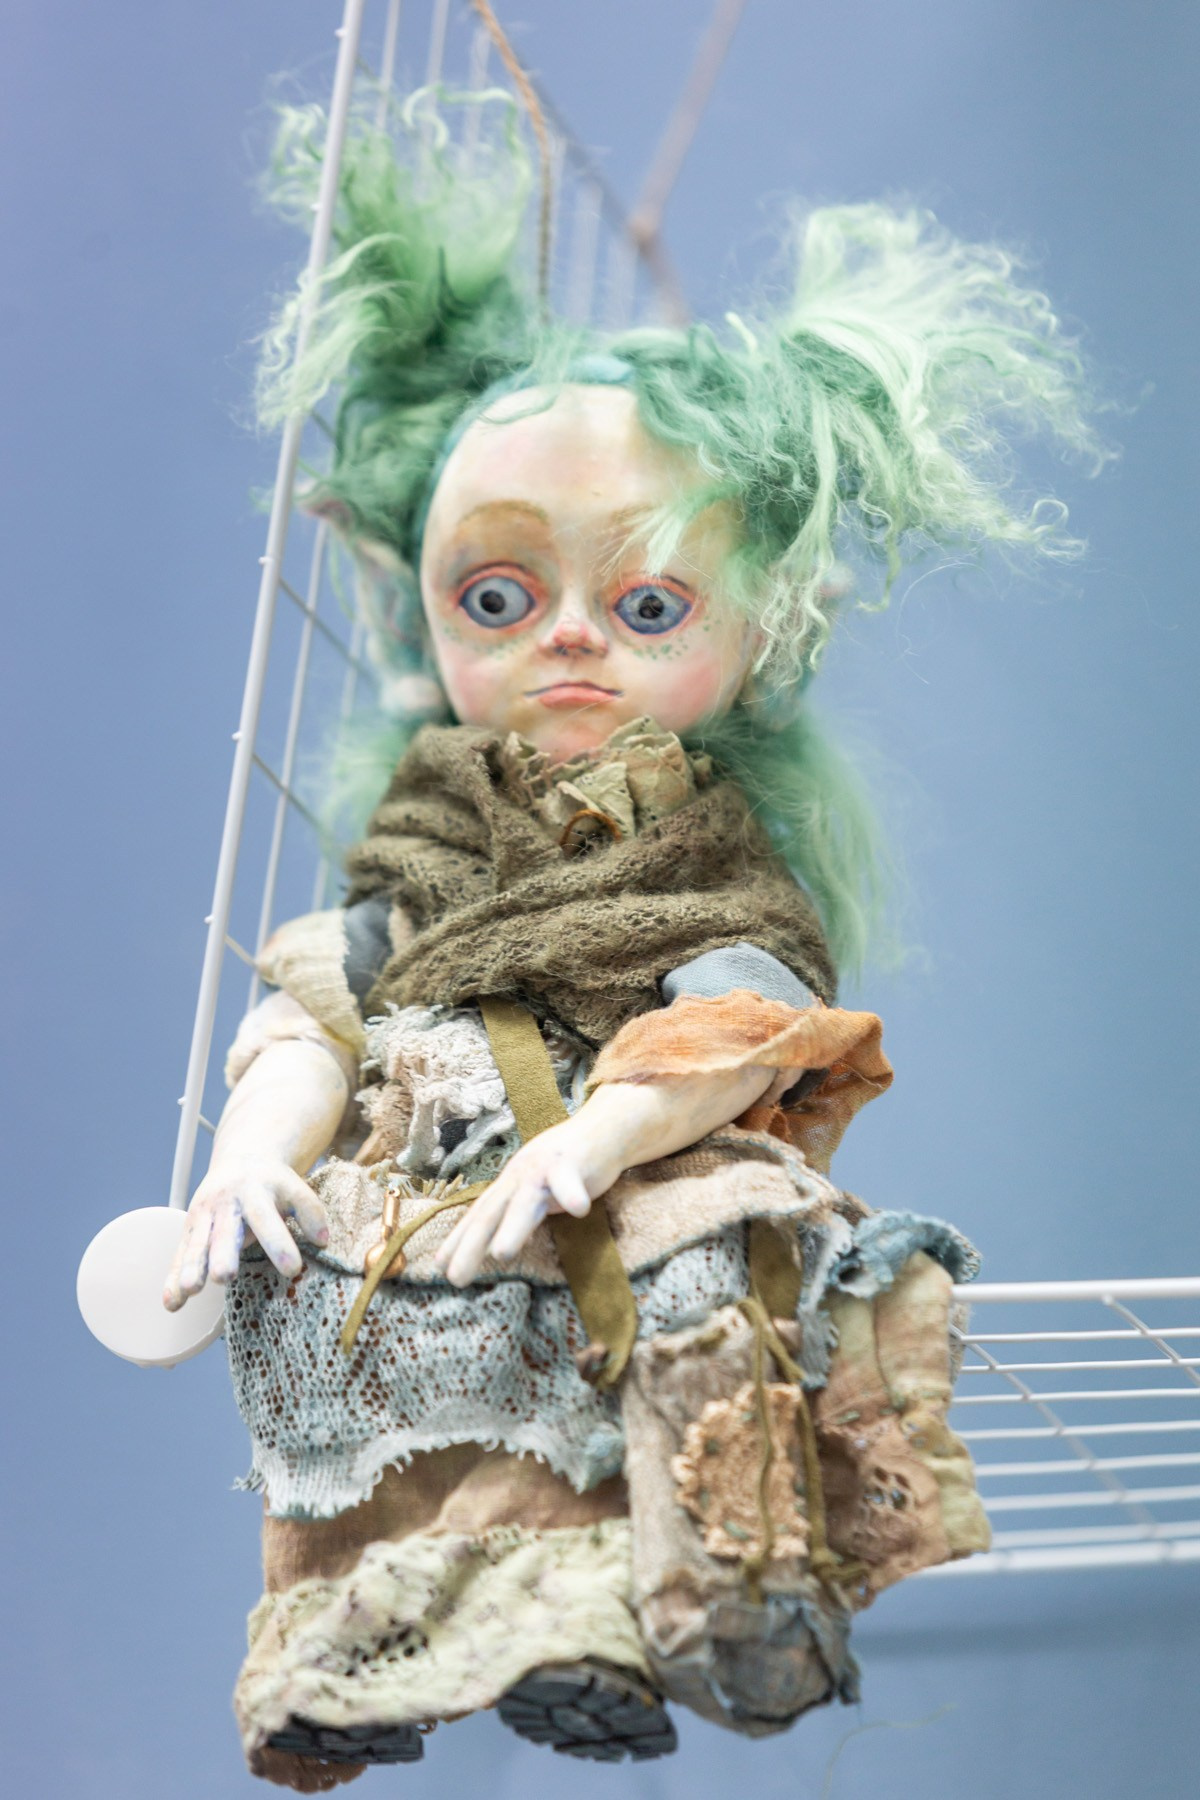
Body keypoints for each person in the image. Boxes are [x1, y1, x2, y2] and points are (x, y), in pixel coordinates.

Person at [163, 90, 1100, 1791]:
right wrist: (249, 1149)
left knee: (687, 1279)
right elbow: (322, 1002)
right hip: (427, 1157)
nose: (572, 643)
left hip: (626, 1144)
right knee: (320, 1306)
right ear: (425, 608)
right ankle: (347, 1648)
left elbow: (737, 1010)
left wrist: (601, 1136)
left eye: (650, 602)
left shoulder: (711, 852)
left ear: (759, 635)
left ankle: (646, 1611)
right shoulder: (428, 836)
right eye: (500, 598)